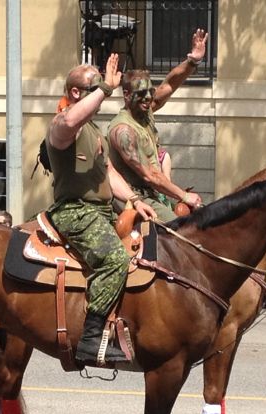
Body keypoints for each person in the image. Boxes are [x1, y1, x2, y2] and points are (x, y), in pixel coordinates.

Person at [46, 53, 157, 365]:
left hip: (103, 211)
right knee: (114, 259)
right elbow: (70, 121)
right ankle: (90, 338)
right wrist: (106, 88)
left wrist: (134, 199)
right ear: (76, 93)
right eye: (94, 89)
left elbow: (108, 171)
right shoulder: (62, 125)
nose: (103, 95)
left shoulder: (94, 131)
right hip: (75, 211)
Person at [106, 29, 207, 222]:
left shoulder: (145, 111)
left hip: (153, 193)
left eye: (150, 92)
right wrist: (184, 196)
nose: (148, 98)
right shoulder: (123, 131)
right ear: (127, 95)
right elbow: (150, 176)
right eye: (141, 93)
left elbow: (169, 85)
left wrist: (193, 61)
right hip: (133, 197)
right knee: (179, 230)